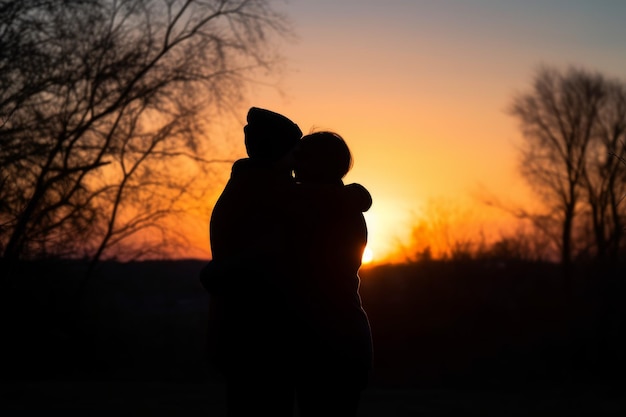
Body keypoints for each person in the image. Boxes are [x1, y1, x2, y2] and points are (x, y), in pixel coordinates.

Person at [203, 106, 303, 417]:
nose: (300, 159)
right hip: (262, 335)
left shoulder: (245, 186)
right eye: (295, 150)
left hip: (238, 330)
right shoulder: (273, 192)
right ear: (279, 152)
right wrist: (352, 196)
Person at [288, 131, 373, 417]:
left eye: (299, 156)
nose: (292, 163)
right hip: (346, 334)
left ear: (317, 163)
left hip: (325, 339)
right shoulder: (343, 203)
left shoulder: (311, 205)